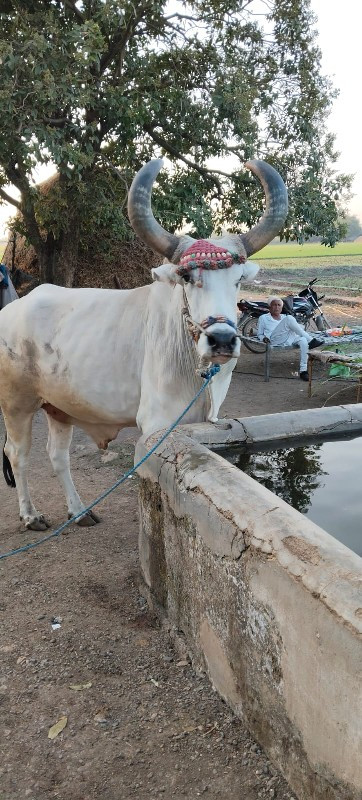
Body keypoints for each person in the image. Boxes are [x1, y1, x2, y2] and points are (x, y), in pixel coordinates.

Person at [257, 296, 324, 381]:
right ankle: (310, 340)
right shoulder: (264, 318)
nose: (277, 307)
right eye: (274, 305)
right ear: (270, 307)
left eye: (279, 305)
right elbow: (259, 334)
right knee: (289, 318)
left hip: (289, 338)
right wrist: (263, 338)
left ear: (281, 308)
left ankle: (303, 371)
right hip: (275, 340)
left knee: (303, 340)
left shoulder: (284, 316)